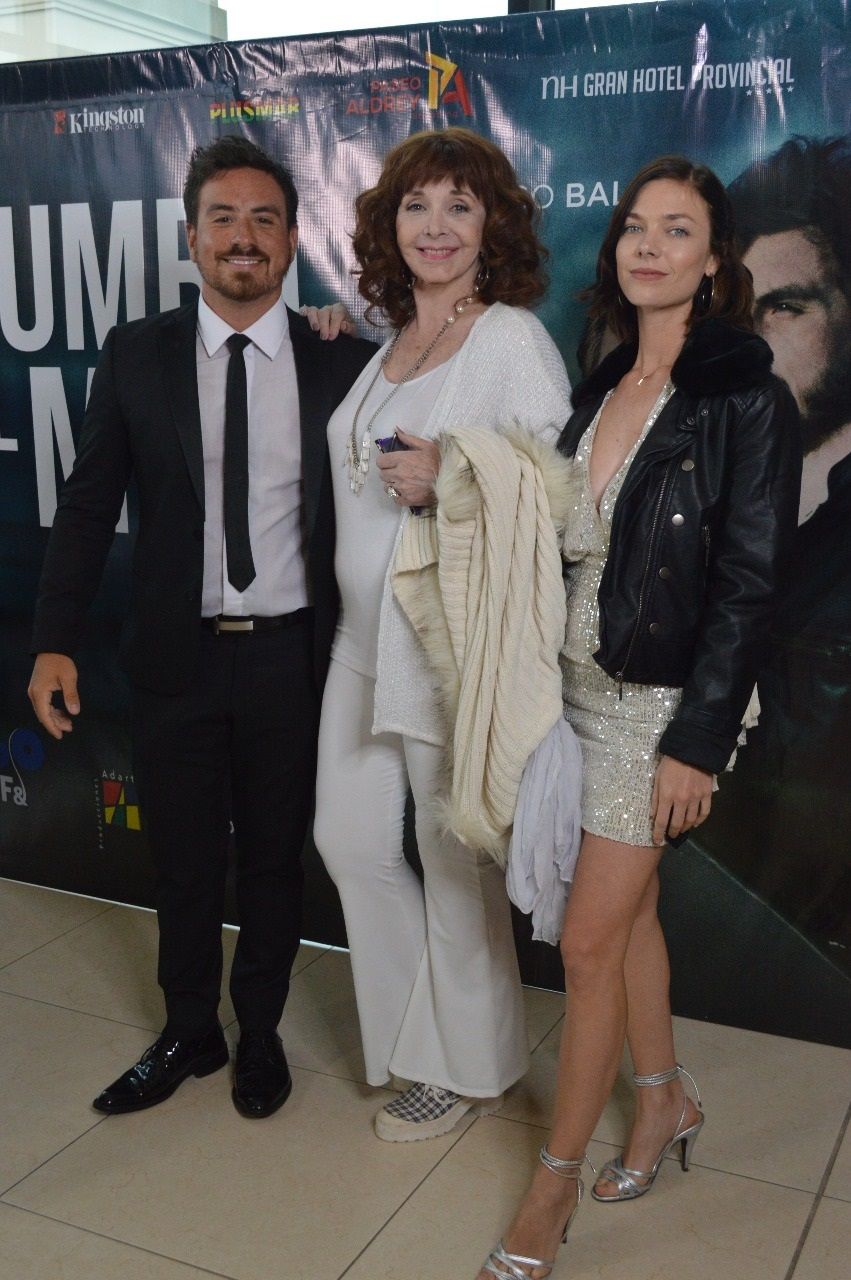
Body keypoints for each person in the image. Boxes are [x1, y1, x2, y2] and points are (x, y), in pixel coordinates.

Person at [477, 155, 801, 1279]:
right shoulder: (600, 385)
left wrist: (695, 742)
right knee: (631, 919)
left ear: (714, 261)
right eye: (634, 227)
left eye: (677, 229)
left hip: (657, 708)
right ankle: (661, 1098)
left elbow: (750, 583)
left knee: (585, 942)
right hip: (570, 693)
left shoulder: (745, 399)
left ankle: (550, 1188)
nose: (647, 246)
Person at [27, 135, 375, 1119]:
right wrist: (53, 638)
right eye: (222, 218)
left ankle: (259, 1028)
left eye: (265, 219)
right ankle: (190, 1027)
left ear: (292, 240)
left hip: (291, 657)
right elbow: (87, 505)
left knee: (271, 856)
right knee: (180, 857)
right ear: (190, 237)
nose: (243, 236)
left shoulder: (339, 358)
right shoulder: (135, 353)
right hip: (174, 654)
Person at [312, 127, 572, 1142]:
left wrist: (454, 474)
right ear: (390, 223)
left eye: (459, 206)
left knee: (448, 857)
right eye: (416, 205)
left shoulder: (508, 339)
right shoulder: (383, 346)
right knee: (346, 841)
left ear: (490, 225)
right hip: (358, 641)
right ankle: (410, 1042)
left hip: (443, 646)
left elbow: (559, 494)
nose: (435, 226)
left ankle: (463, 1067)